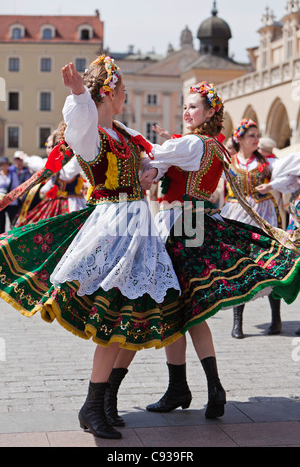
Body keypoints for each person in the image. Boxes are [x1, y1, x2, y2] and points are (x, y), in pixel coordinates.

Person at [0, 55, 183, 439]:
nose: (126, 95)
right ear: (109, 92)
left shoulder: (124, 134)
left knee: (134, 314)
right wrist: (79, 93)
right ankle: (92, 404)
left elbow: (152, 160)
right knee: (113, 315)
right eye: (121, 89)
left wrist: (150, 171)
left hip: (138, 229)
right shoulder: (91, 135)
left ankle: (104, 400)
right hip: (113, 227)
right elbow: (79, 123)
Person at [113, 82, 300, 421]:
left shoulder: (193, 143)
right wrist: (159, 164)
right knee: (187, 310)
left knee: (156, 304)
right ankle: (203, 388)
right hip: (196, 224)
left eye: (194, 107)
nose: (187, 112)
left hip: (178, 226)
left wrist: (117, 130)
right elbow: (166, 162)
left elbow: (154, 153)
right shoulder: (211, 145)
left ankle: (120, 390)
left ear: (211, 112)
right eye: (186, 106)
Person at [221, 119, 283, 338]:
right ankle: (238, 323)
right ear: (240, 139)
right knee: (241, 268)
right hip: (236, 218)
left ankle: (276, 320)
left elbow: (289, 177)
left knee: (270, 265)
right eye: (252, 136)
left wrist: (272, 185)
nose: (256, 140)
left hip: (263, 217)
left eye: (257, 135)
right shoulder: (229, 162)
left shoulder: (268, 162)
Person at [256, 151, 300, 335]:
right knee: (281, 272)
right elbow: (283, 173)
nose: (294, 178)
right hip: (293, 237)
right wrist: (271, 185)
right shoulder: (295, 188)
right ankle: (276, 320)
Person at [15, 122, 87, 226]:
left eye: (52, 147)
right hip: (54, 202)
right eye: (48, 147)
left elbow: (63, 172)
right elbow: (47, 184)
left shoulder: (70, 163)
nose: (50, 150)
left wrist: (26, 159)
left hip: (72, 204)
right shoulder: (56, 164)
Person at [0, 156, 19, 232]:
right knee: (1, 223)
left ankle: (13, 238)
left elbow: (16, 187)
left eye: (6, 164)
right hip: (1, 202)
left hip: (11, 201)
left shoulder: (13, 174)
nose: (4, 165)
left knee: (13, 222)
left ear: (8, 165)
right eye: (2, 164)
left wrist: (9, 195)